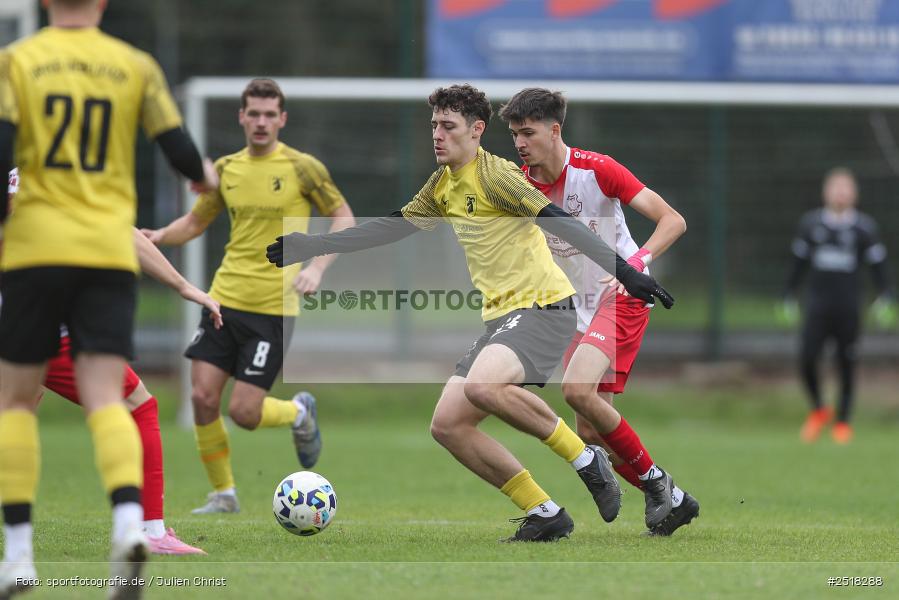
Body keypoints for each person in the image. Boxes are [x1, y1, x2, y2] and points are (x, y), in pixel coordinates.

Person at [266, 84, 675, 542]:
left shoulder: (497, 175)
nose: (437, 135)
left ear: (477, 130)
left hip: (544, 307)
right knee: (448, 425)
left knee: (484, 386)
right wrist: (316, 244)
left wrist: (629, 271)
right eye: (434, 126)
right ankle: (544, 512)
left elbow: (559, 221)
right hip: (504, 317)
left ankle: (585, 458)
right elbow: (390, 227)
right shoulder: (442, 186)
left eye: (448, 126)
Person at [0, 0, 216, 596]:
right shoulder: (133, 65)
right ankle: (132, 526)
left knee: (15, 406)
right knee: (113, 401)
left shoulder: (16, 61)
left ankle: (18, 556)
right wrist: (205, 180)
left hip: (34, 256)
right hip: (101, 255)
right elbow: (181, 155)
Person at [142, 78, 356, 514]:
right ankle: (224, 494)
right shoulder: (226, 170)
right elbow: (196, 221)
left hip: (274, 309)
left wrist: (316, 266)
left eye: (269, 114)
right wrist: (158, 236)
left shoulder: (303, 167)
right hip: (224, 297)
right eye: (253, 114)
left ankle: (298, 413)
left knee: (244, 412)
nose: (261, 122)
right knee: (201, 398)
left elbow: (344, 216)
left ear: (282, 119)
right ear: (241, 117)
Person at [498, 88, 699, 536]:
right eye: (514, 134)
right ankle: (674, 498)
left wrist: (635, 264)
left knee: (575, 389)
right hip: (577, 309)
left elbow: (673, 220)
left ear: (555, 130)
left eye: (528, 133)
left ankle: (656, 482)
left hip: (622, 294)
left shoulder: (597, 169)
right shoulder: (519, 184)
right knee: (589, 432)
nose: (520, 143)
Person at [5, 169, 214, 555]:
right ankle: (150, 531)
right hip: (46, 330)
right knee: (140, 405)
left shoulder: (30, 168)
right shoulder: (62, 173)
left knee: (14, 421)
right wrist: (183, 286)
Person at [782, 167, 895, 444]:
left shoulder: (863, 228)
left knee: (846, 363)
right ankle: (820, 409)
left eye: (846, 188)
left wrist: (886, 296)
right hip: (818, 306)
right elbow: (798, 265)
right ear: (826, 192)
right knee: (807, 358)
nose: (841, 193)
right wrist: (787, 294)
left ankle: (843, 422)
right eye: (836, 187)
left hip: (849, 308)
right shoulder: (811, 224)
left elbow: (878, 267)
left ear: (854, 194)